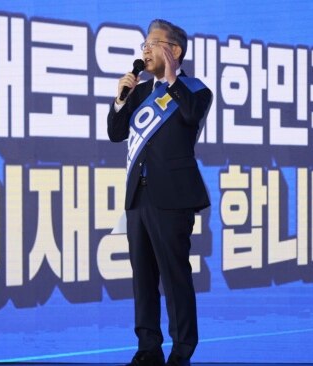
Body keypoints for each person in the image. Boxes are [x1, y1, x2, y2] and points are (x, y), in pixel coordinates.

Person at [107, 19, 212, 366]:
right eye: (145, 45)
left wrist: (170, 80)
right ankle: (147, 348)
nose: (146, 50)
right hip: (138, 196)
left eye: (154, 43)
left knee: (175, 276)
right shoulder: (138, 92)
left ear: (175, 50)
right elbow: (115, 132)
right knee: (144, 278)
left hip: (174, 198)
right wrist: (120, 100)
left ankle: (182, 351)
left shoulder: (195, 90)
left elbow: (192, 114)